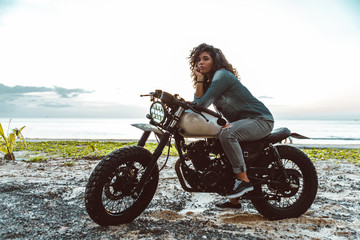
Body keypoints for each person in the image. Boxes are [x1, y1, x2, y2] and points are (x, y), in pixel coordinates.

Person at [189, 43, 274, 210]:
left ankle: (243, 180)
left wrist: (197, 87)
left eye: (205, 59)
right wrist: (199, 79)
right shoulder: (209, 82)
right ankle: (234, 201)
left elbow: (201, 103)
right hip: (244, 122)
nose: (200, 62)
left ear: (216, 61)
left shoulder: (222, 75)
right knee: (217, 143)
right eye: (198, 60)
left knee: (227, 134)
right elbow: (197, 104)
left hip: (261, 119)